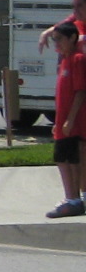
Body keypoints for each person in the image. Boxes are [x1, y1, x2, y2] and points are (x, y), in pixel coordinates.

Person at [45, 21, 84, 219]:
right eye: (54, 40)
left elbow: (79, 92)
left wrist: (69, 120)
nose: (56, 44)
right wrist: (57, 122)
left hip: (72, 123)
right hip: (61, 122)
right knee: (63, 159)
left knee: (67, 159)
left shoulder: (78, 60)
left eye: (59, 39)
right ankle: (73, 198)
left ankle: (73, 199)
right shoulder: (64, 61)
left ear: (72, 38)